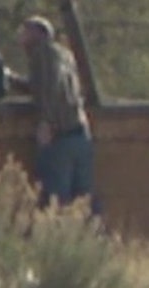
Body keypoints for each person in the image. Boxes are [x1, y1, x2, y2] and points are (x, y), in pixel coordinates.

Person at [7, 15, 95, 209]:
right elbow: (42, 85)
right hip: (79, 132)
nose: (21, 37)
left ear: (38, 34)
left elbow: (49, 88)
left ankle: (55, 236)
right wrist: (12, 80)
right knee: (82, 198)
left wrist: (46, 123)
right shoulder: (63, 55)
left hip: (59, 135)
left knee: (55, 199)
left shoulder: (43, 53)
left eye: (25, 32)